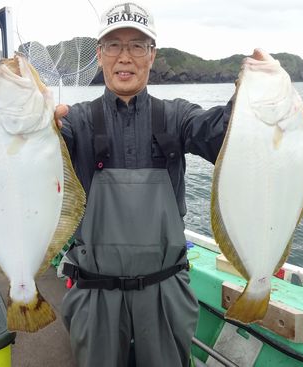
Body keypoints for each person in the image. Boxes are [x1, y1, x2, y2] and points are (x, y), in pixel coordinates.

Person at [54, 2, 233, 366]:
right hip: (94, 294)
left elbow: (220, 136)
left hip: (165, 293)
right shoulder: (76, 122)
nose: (125, 57)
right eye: (113, 45)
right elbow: (42, 151)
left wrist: (253, 102)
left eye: (137, 45)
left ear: (152, 56)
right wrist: (40, 124)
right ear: (100, 55)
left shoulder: (178, 116)